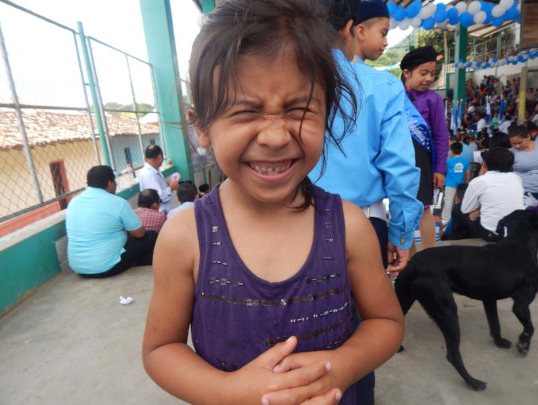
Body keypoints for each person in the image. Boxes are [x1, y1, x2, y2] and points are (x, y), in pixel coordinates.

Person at [142, 1, 404, 404]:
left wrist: (343, 366)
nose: (276, 136)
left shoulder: (349, 226)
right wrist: (229, 391)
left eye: (300, 109)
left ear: (327, 113)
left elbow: (385, 322)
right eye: (246, 112)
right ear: (203, 128)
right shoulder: (186, 236)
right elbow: (161, 350)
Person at [309, 0, 422, 273]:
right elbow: (400, 167)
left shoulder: (287, 79)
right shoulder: (383, 86)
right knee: (368, 313)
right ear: (349, 27)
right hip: (364, 223)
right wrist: (401, 234)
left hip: (293, 225)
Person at [66, 165, 158, 278]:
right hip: (106, 268)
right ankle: (143, 269)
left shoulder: (74, 202)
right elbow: (139, 233)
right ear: (110, 183)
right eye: (115, 181)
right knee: (151, 236)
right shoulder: (118, 203)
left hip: (79, 268)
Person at [400, 46, 450, 252]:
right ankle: (408, 261)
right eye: (424, 73)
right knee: (401, 210)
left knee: (423, 210)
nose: (429, 78)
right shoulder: (393, 94)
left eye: (432, 73)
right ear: (406, 73)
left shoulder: (434, 99)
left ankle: (429, 258)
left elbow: (440, 135)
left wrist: (439, 169)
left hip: (421, 157)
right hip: (398, 156)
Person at [458, 148, 524, 242]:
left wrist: (478, 210)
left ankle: (458, 242)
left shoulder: (480, 181)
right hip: (516, 231)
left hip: (494, 234)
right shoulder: (516, 178)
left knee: (458, 210)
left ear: (484, 163)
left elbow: (465, 209)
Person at [138, 144, 179, 213]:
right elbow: (159, 197)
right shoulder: (149, 174)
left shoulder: (152, 170)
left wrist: (165, 185)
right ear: (160, 157)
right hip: (161, 213)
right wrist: (171, 187)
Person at [441, 142, 470, 226]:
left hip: (450, 183)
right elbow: (468, 172)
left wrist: (448, 157)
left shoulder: (449, 161)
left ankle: (446, 219)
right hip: (460, 184)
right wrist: (467, 182)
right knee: (459, 202)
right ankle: (459, 218)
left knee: (448, 201)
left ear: (452, 150)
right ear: (461, 150)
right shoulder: (465, 160)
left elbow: (444, 170)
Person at [508, 125, 538, 200]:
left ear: (528, 137)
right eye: (513, 144)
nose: (517, 146)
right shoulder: (510, 153)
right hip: (525, 191)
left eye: (520, 142)